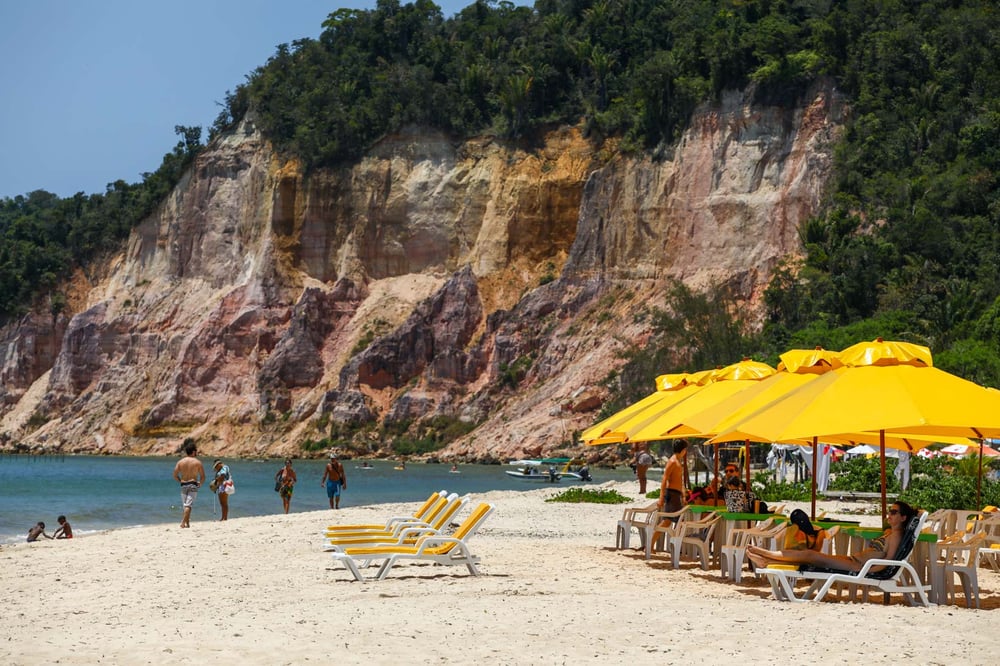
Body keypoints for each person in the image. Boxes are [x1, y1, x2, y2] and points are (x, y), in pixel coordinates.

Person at [747, 501, 918, 573]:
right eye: (889, 511)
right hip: (853, 560)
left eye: (894, 512)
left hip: (858, 566)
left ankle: (766, 554)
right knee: (810, 558)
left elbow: (890, 560)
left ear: (903, 518)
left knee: (810, 555)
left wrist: (867, 571)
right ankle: (767, 562)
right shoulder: (889, 532)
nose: (889, 515)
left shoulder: (896, 536)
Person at [173, 439, 206, 528]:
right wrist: (200, 483)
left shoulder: (180, 462)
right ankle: (183, 522)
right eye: (195, 451)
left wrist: (180, 480)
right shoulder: (197, 462)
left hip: (183, 485)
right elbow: (203, 476)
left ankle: (187, 523)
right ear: (193, 452)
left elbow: (175, 475)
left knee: (186, 505)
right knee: (188, 505)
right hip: (192, 484)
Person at [657, 440, 688, 515]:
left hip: (676, 494)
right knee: (670, 520)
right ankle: (655, 527)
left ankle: (656, 527)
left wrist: (683, 495)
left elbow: (680, 480)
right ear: (683, 450)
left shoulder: (677, 461)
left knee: (673, 520)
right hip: (672, 493)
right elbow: (664, 479)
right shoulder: (672, 461)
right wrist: (661, 498)